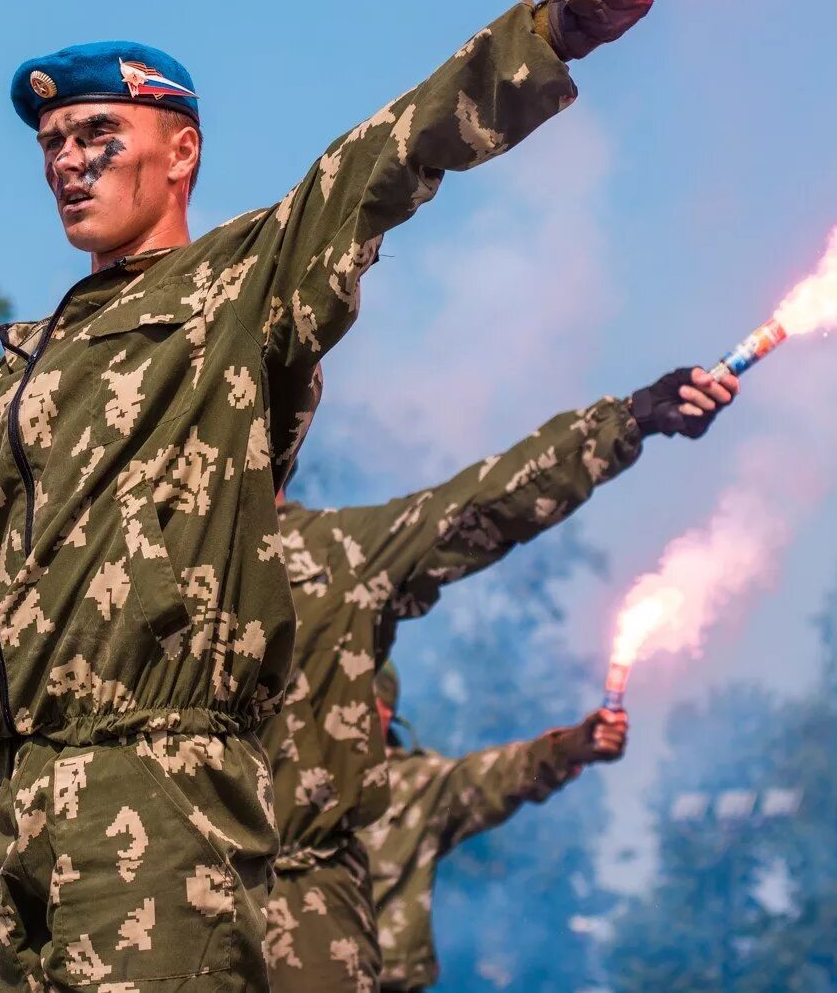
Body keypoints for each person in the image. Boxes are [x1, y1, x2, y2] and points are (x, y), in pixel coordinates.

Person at [0, 0, 659, 986]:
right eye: (52, 143)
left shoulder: (237, 292)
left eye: (98, 133)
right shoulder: (17, 379)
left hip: (158, 791)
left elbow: (383, 163)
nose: (68, 161)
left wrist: (557, 30)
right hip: (22, 825)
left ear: (182, 150)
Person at [261, 366, 734, 991]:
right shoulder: (122, 554)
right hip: (155, 906)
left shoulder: (328, 561)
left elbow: (478, 504)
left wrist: (632, 417)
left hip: (300, 925)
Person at [361, 666, 627, 991]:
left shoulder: (414, 786)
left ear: (386, 714)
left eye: (363, 707)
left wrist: (568, 749)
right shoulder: (285, 779)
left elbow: (497, 775)